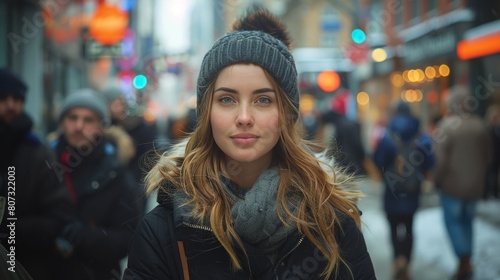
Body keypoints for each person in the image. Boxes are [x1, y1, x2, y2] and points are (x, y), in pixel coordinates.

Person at [125, 10, 376, 280]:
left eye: (263, 100)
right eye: (227, 100)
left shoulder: (332, 223)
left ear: (287, 114)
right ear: (206, 112)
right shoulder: (163, 232)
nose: (244, 118)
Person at [49, 88, 143, 279]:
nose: (79, 125)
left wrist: (86, 237)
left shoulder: (115, 171)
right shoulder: (43, 163)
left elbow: (128, 238)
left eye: (88, 120)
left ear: (101, 126)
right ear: (62, 122)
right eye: (72, 117)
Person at [0, 68, 73, 279]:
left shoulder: (38, 152)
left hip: (26, 264)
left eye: (17, 99)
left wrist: (11, 227)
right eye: (3, 98)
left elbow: (58, 216)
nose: (11, 105)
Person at [433, 85, 492, 280]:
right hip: (475, 186)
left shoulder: (446, 125)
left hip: (452, 186)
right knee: (468, 222)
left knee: (454, 223)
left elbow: (439, 161)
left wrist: (436, 180)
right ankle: (466, 260)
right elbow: (489, 156)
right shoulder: (480, 125)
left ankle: (463, 260)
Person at [373, 101, 434, 280]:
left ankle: (397, 259)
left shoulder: (388, 136)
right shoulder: (420, 136)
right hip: (412, 190)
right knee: (409, 227)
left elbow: (378, 160)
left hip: (392, 190)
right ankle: (405, 263)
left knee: (393, 227)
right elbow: (429, 161)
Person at [321, 89, 367, 176]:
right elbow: (358, 146)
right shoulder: (353, 125)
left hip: (337, 167)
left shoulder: (331, 125)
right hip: (354, 166)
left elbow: (328, 145)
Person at [484, 104, 500, 199]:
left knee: (495, 175)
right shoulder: (486, 128)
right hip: (488, 157)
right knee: (487, 176)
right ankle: (487, 193)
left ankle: (494, 193)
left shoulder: (498, 129)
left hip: (497, 157)